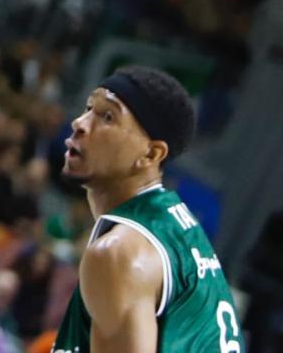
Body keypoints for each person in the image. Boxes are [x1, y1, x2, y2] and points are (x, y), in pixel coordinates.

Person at [53, 66, 242, 352]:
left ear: (151, 154)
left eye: (107, 116)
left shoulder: (120, 253)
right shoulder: (173, 226)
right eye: (89, 107)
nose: (79, 122)